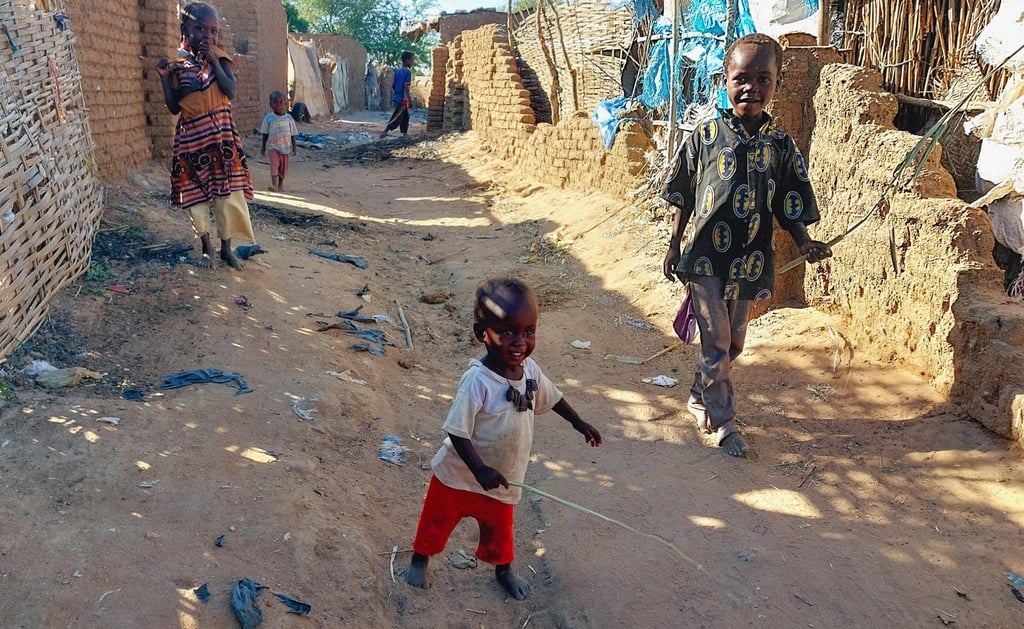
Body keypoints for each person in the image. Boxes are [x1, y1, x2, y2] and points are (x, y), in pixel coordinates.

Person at [661, 33, 832, 457]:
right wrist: (673, 245)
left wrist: (805, 242)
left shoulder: (780, 144)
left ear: (776, 83)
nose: (750, 88)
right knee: (717, 340)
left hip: (751, 259)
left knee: (732, 343)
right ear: (725, 79)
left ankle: (700, 395)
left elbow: (788, 202)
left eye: (762, 79)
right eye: (741, 78)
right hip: (704, 256)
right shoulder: (705, 135)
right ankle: (725, 425)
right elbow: (682, 192)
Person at [405, 278, 602, 600]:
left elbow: (552, 398)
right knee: (436, 521)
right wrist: (479, 469)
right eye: (507, 331)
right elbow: (456, 430)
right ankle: (420, 558)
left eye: (528, 331)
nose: (519, 342)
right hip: (457, 475)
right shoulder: (477, 381)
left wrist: (579, 423)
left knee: (499, 531)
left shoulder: (530, 371)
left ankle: (504, 570)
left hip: (503, 477)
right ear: (482, 334)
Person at [156, 2, 255, 270]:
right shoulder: (178, 67)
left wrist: (212, 59)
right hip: (192, 139)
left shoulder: (222, 59)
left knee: (228, 196)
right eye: (200, 29)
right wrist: (165, 79)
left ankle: (226, 248)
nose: (208, 36)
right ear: (184, 31)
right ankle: (206, 247)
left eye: (213, 31)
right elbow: (175, 107)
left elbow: (230, 90)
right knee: (196, 196)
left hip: (222, 138)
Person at [259, 91, 298, 193]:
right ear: (270, 104)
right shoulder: (269, 118)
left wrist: (294, 147)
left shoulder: (289, 118)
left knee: (283, 169)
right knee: (274, 166)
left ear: (285, 103)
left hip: (285, 148)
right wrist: (263, 147)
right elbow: (265, 134)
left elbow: (293, 134)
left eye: (281, 102)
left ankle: (280, 184)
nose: (278, 105)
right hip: (273, 147)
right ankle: (274, 185)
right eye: (275, 102)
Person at [379, 51, 413, 138]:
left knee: (405, 117)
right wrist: (408, 100)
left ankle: (405, 134)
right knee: (396, 117)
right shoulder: (407, 72)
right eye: (412, 60)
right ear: (407, 60)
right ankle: (385, 131)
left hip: (397, 96)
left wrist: (397, 92)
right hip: (402, 99)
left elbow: (393, 85)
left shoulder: (398, 71)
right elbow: (406, 87)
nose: (413, 62)